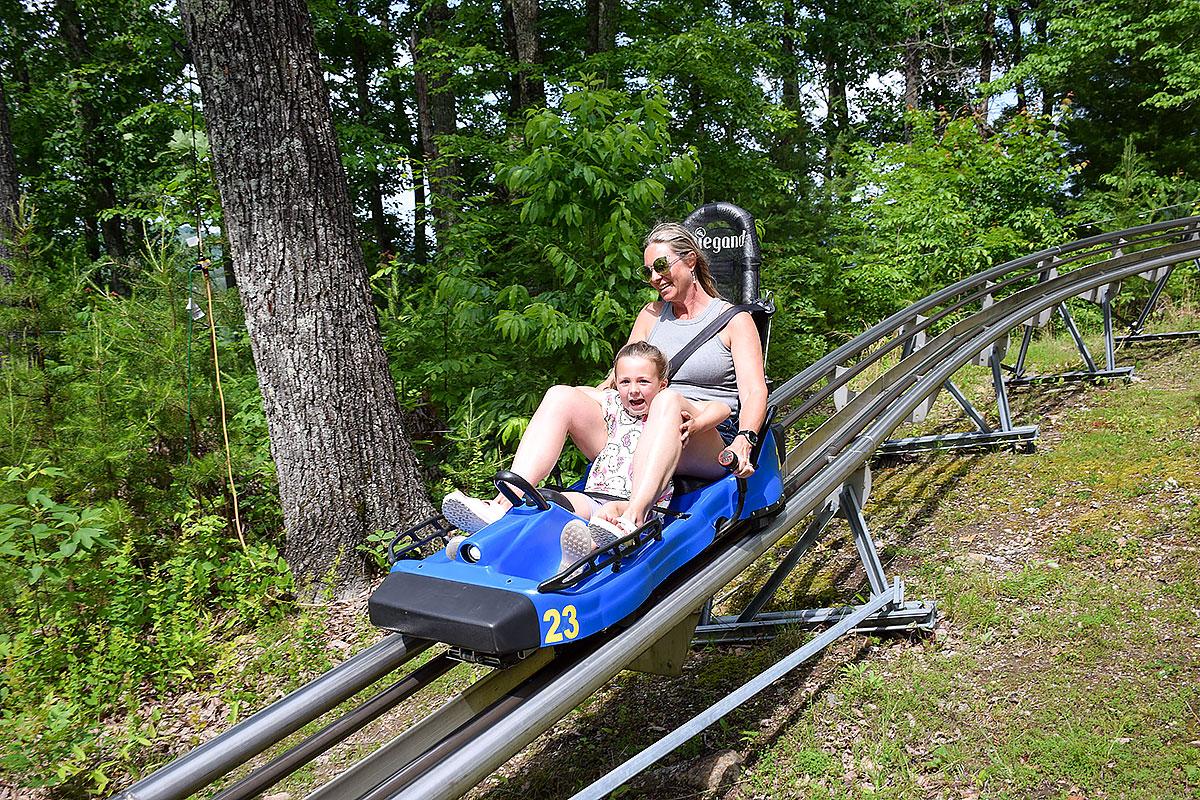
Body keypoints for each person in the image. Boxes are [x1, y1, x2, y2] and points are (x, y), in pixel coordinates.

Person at [441, 221, 768, 543]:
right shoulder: (651, 315)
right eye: (648, 272)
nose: (654, 278)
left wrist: (745, 440)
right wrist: (588, 399)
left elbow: (753, 391)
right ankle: (503, 503)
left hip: (699, 435)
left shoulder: (734, 321)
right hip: (637, 426)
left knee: (666, 401)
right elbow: (618, 379)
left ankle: (633, 517)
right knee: (561, 395)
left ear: (691, 260)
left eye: (661, 266)